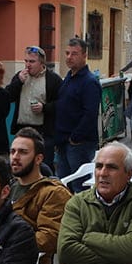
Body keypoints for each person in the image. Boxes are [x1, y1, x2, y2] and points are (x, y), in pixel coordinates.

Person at [9, 128, 71, 264]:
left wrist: (4, 242)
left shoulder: (53, 192)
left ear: (38, 159)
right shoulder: (7, 187)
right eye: (13, 152)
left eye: (23, 152)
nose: (15, 157)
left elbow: (48, 238)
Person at [7, 45, 62, 169]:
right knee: (22, 166)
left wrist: (44, 107)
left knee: (43, 166)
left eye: (32, 62)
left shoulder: (53, 79)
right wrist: (18, 82)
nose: (28, 65)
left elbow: (61, 104)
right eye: (26, 61)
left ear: (42, 63)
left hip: (43, 131)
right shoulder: (20, 76)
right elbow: (8, 96)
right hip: (22, 129)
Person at [53, 37, 101, 178]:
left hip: (79, 144)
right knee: (63, 184)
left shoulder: (89, 82)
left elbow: (90, 114)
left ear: (84, 56)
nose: (69, 57)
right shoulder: (68, 78)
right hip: (63, 141)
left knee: (80, 185)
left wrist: (75, 137)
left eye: (74, 54)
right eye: (67, 53)